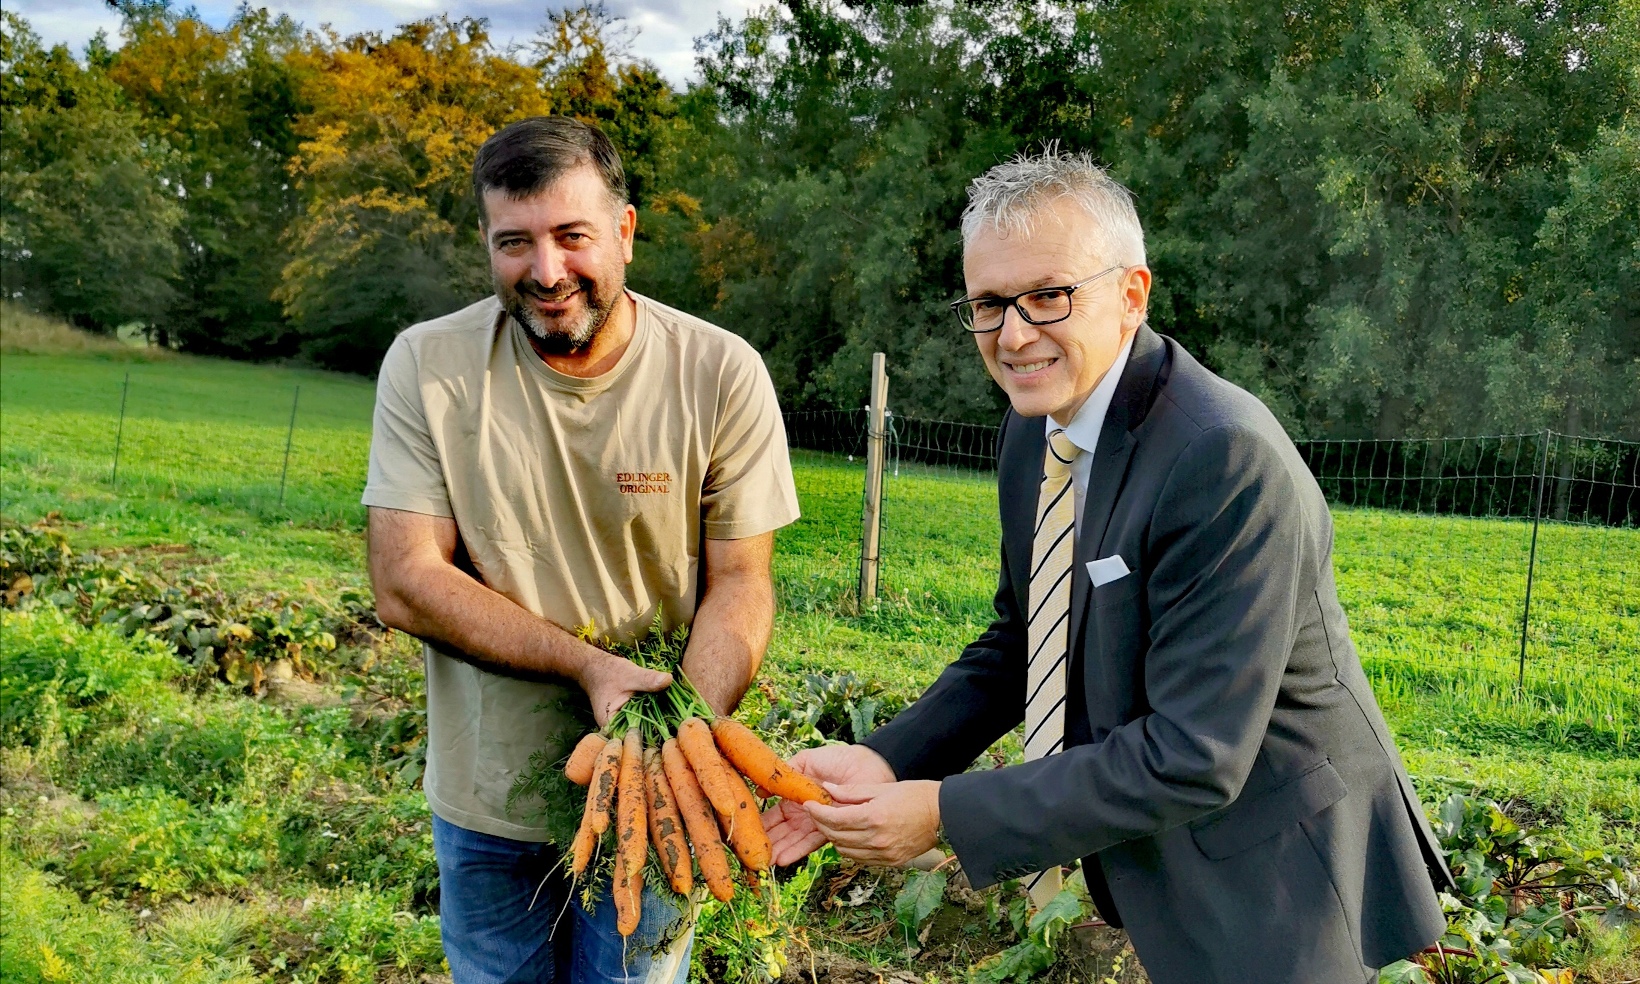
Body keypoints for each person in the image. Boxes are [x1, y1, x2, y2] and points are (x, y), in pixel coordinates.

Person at [763, 150, 1453, 984]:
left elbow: (1196, 754)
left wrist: (947, 813)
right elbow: (1027, 637)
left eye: (1048, 295)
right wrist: (888, 758)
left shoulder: (1222, 456)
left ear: (1131, 296)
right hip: (1166, 843)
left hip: (1274, 870)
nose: (1014, 334)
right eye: (989, 304)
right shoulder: (1032, 431)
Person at [363, 116, 800, 984]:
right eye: (514, 242)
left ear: (626, 233)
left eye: (573, 236)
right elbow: (405, 580)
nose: (547, 271)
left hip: (662, 797)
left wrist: (678, 736)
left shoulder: (719, 371)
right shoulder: (430, 364)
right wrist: (588, 667)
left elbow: (744, 584)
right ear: (487, 243)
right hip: (490, 796)